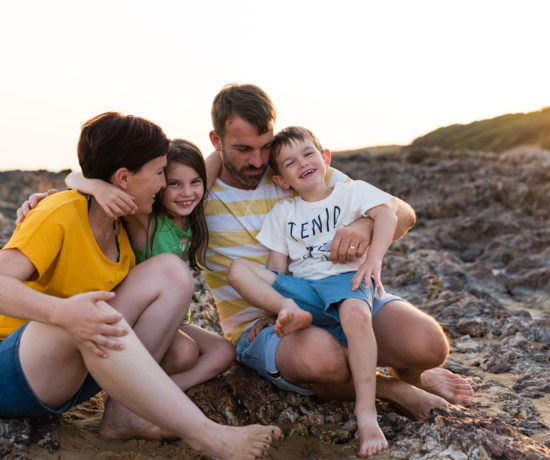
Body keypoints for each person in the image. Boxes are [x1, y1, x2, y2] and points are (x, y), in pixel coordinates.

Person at [0, 112, 280, 460]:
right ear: (123, 177)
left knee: (170, 271)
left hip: (76, 373)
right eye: (160, 173)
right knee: (90, 309)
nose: (165, 183)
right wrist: (63, 312)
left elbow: (210, 165)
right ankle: (211, 437)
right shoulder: (60, 210)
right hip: (14, 369)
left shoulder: (124, 225)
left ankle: (123, 412)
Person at [203, 83, 474, 417]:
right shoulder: (196, 195)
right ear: (216, 142)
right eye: (243, 149)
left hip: (339, 294)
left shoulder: (293, 169)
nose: (258, 161)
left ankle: (413, 375)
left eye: (265, 146)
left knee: (427, 343)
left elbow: (402, 213)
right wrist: (204, 173)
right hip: (266, 325)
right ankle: (392, 389)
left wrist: (363, 226)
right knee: (323, 359)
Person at [227, 126, 398, 457]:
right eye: (290, 163)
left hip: (345, 279)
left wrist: (373, 260)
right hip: (302, 290)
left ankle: (366, 414)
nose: (302, 163)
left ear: (325, 158)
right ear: (281, 181)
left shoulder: (351, 192)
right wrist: (272, 310)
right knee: (238, 269)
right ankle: (290, 310)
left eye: (308, 154)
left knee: (357, 314)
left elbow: (387, 214)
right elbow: (277, 269)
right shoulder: (283, 213)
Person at [65, 138, 236, 391]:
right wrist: (97, 188)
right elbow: (74, 177)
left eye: (195, 182)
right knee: (185, 353)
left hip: (178, 319)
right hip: (142, 319)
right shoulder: (145, 219)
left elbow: (221, 153)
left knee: (224, 352)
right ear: (159, 185)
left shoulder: (192, 210)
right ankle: (137, 396)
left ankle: (165, 393)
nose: (187, 192)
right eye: (174, 184)